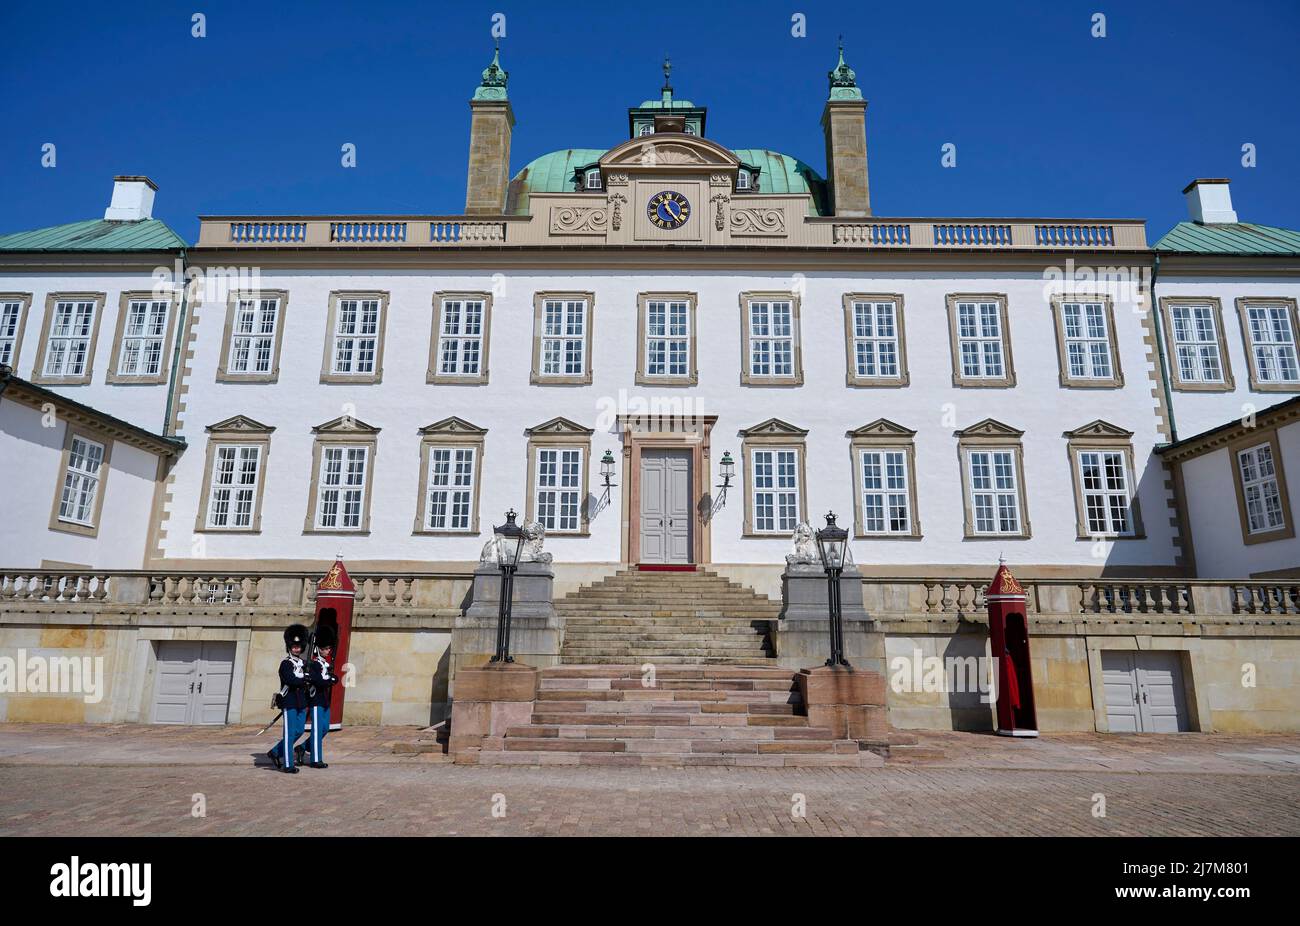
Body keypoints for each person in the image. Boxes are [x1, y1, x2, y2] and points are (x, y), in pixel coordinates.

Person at [266, 624, 309, 774]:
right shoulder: (286, 663)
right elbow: (290, 680)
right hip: (289, 700)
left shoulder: (304, 664)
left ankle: (275, 751)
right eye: (294, 646)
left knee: (299, 730)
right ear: (289, 647)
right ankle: (288, 764)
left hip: (301, 701)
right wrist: (305, 678)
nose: (296, 649)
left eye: (298, 646)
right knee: (290, 733)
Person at [299, 624, 339, 769]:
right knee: (316, 729)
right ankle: (316, 759)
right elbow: (319, 681)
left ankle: (302, 747)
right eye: (325, 649)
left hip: (324, 700)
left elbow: (330, 679)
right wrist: (330, 680)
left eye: (328, 648)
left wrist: (332, 679)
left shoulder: (325, 664)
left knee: (324, 728)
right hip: (316, 699)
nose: (327, 651)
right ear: (318, 649)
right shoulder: (314, 664)